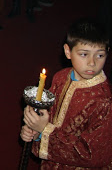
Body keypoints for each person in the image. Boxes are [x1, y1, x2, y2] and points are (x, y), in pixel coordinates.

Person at [20, 19, 112, 168]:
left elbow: (94, 155)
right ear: (68, 52)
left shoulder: (104, 101)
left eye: (99, 55)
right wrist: (35, 132)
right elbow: (48, 115)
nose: (92, 63)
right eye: (84, 54)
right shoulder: (61, 77)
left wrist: (45, 130)